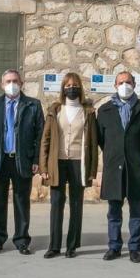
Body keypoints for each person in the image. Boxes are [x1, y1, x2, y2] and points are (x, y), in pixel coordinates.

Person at [97, 71, 140, 263]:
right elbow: (101, 140)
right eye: (121, 82)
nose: (125, 85)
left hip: (135, 168)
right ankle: (114, 247)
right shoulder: (104, 110)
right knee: (114, 211)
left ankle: (134, 248)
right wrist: (115, 154)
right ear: (115, 86)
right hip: (114, 168)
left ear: (135, 84)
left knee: (136, 211)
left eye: (128, 82)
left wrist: (137, 155)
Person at [39, 72, 98, 258]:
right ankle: (54, 245)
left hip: (78, 163)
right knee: (56, 203)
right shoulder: (55, 110)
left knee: (76, 204)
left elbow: (94, 143)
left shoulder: (88, 112)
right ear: (63, 88)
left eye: (75, 85)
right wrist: (43, 167)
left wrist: (92, 169)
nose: (71, 88)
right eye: (68, 85)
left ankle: (72, 244)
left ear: (80, 88)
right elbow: (45, 140)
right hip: (57, 163)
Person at [0, 69, 44, 255]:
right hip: (0, 160)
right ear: (1, 84)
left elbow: (40, 135)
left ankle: (21, 239)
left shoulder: (33, 105)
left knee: (21, 201)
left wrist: (36, 159)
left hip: (22, 160)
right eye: (8, 81)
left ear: (21, 83)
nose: (11, 84)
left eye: (15, 80)